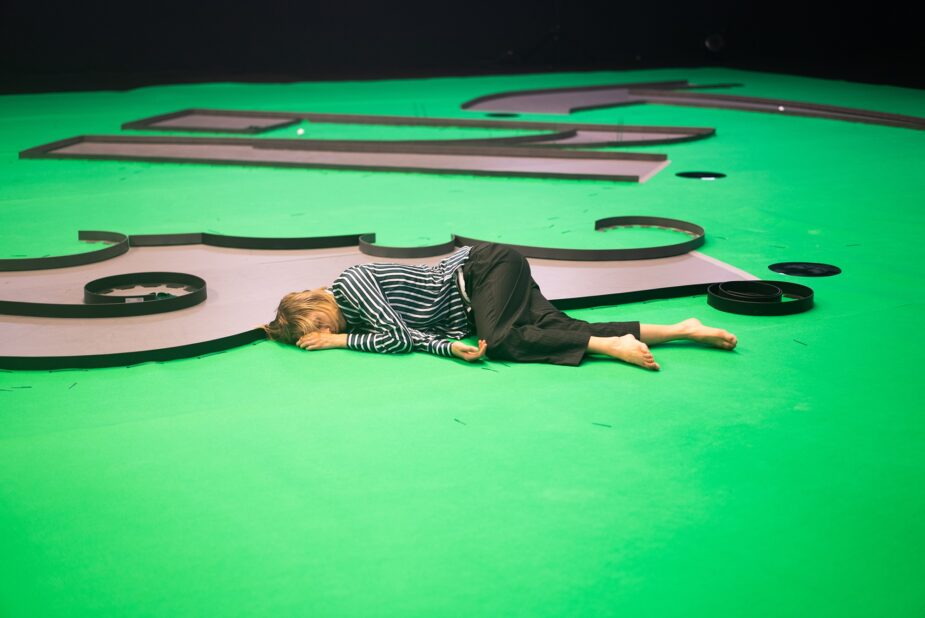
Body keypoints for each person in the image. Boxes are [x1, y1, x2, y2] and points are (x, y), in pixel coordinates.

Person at [263, 244, 737, 371]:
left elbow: (398, 338)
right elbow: (414, 336)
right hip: (483, 296)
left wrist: (339, 341)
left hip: (483, 270)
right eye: (318, 332)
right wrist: (451, 349)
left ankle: (609, 346)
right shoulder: (363, 320)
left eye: (319, 323)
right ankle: (683, 329)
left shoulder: (350, 283)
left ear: (318, 302)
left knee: (506, 341)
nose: (327, 329)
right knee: (558, 326)